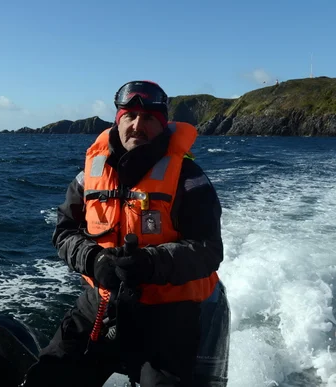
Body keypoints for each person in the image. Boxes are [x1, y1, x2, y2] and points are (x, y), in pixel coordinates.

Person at [22, 81, 230, 387]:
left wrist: (149, 263)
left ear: (162, 126)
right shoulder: (89, 176)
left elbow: (208, 249)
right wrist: (93, 260)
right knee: (46, 378)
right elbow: (64, 231)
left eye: (148, 119)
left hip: (168, 314)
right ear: (117, 119)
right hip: (103, 303)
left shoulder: (188, 178)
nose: (137, 126)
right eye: (129, 116)